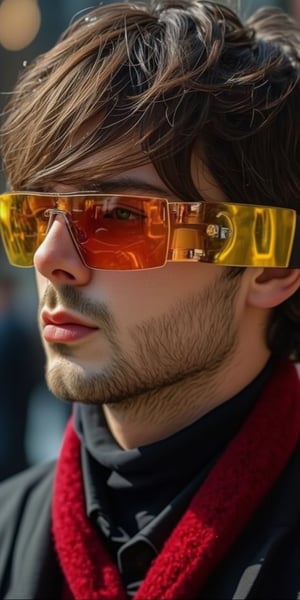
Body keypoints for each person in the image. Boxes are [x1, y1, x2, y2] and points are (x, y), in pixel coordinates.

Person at [0, 0, 299, 598]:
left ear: (269, 264)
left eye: (120, 216)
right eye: (34, 214)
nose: (49, 257)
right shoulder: (7, 528)